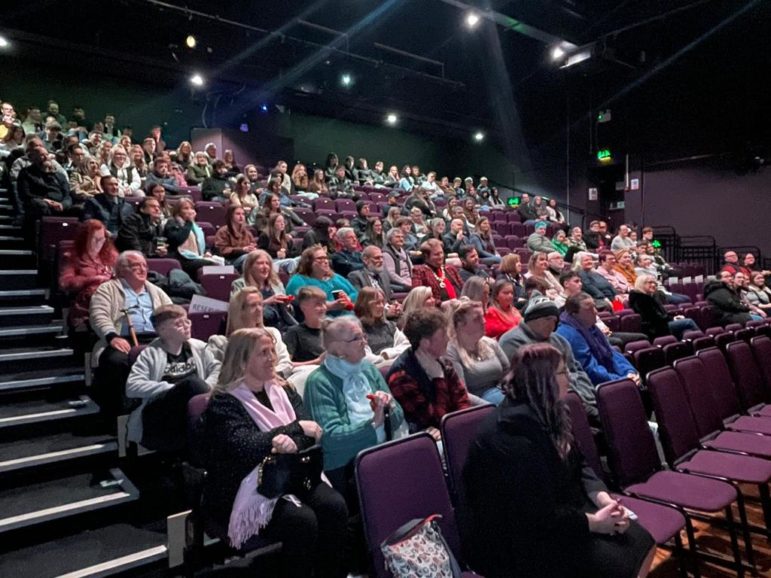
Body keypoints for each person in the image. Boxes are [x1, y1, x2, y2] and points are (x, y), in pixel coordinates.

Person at [462, 343, 655, 578]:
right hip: (514, 539)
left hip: (555, 513)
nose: (570, 379)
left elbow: (579, 463)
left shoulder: (550, 411)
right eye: (563, 372)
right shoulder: (510, 435)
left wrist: (604, 500)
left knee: (642, 540)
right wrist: (594, 523)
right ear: (543, 380)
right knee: (619, 564)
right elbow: (533, 514)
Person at [198, 328, 348, 577]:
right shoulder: (224, 402)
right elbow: (244, 447)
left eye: (272, 351)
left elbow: (310, 429)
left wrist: (291, 441)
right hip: (246, 482)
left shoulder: (282, 388)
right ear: (242, 359)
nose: (272, 358)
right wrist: (290, 431)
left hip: (291, 471)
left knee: (334, 506)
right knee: (301, 521)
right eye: (263, 353)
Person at [304, 317, 406, 493]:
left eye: (363, 336)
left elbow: (398, 416)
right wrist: (374, 424)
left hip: (384, 449)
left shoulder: (369, 369)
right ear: (337, 348)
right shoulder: (319, 382)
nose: (364, 343)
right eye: (357, 338)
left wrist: (388, 408)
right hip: (347, 464)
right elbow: (331, 438)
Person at [89, 251, 173, 415]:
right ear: (121, 270)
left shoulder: (156, 291)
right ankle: (123, 413)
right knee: (117, 361)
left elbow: (172, 313)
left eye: (144, 266)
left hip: (156, 338)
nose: (143, 269)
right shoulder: (107, 289)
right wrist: (112, 336)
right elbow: (98, 315)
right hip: (121, 339)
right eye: (136, 266)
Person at [126, 306, 219, 452]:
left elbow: (218, 369)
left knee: (199, 387)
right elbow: (132, 387)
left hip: (190, 408)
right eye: (179, 324)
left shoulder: (198, 346)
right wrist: (172, 388)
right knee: (192, 384)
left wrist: (205, 385)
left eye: (187, 321)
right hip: (160, 412)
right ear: (162, 331)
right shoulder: (150, 353)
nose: (187, 326)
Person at [387, 308, 471, 437]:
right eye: (443, 335)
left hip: (452, 429)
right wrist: (439, 379)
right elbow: (435, 419)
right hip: (421, 439)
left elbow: (462, 399)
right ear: (426, 343)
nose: (448, 339)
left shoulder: (444, 362)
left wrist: (463, 423)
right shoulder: (401, 378)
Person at [556, 293, 640, 387]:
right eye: (589, 309)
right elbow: (589, 369)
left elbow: (611, 353)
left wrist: (629, 371)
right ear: (574, 314)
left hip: (610, 377)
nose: (595, 312)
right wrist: (621, 379)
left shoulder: (590, 325)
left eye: (594, 307)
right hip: (592, 386)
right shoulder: (569, 334)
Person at [446, 300, 510, 405]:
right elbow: (462, 393)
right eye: (477, 319)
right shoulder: (451, 351)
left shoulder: (490, 343)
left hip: (502, 395)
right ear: (460, 324)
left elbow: (508, 372)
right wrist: (491, 408)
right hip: (478, 405)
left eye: (483, 316)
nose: (484, 321)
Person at [60, 220, 118, 331]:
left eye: (102, 239)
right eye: (95, 240)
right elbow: (65, 282)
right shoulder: (71, 256)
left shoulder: (111, 254)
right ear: (84, 239)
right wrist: (92, 280)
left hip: (112, 300)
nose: (99, 243)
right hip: (87, 304)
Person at [231, 250, 296, 331]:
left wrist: (287, 305)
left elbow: (289, 314)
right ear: (250, 267)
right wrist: (266, 302)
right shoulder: (239, 284)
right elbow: (238, 310)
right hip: (256, 327)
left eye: (267, 263)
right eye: (260, 263)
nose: (265, 267)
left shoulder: (276, 284)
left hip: (283, 325)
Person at [285, 245, 358, 316]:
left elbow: (355, 293)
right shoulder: (298, 280)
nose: (326, 261)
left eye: (326, 258)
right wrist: (332, 305)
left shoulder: (336, 277)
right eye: (320, 258)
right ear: (309, 262)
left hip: (349, 315)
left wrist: (347, 299)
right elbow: (305, 302)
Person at [629, 275, 700, 340]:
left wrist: (673, 318)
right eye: (650, 283)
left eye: (654, 283)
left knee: (686, 331)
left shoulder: (651, 296)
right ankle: (702, 340)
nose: (653, 285)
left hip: (661, 324)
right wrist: (672, 319)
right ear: (641, 284)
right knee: (689, 322)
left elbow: (660, 315)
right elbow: (653, 318)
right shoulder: (641, 299)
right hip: (654, 328)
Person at [353, 288, 410, 366]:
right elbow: (366, 358)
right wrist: (385, 359)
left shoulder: (390, 326)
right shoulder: (357, 330)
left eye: (382, 302)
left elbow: (407, 345)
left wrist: (387, 354)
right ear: (364, 305)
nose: (382, 306)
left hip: (395, 363)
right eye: (377, 303)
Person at [164, 197, 217, 278]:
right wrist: (189, 222)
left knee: (226, 265)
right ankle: (206, 285)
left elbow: (203, 244)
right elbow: (178, 240)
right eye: (186, 208)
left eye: (191, 208)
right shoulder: (172, 222)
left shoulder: (195, 226)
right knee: (212, 265)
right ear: (178, 211)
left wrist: (207, 252)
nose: (190, 211)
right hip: (182, 258)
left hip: (197, 257)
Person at [284, 287, 327, 366]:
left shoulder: (331, 329)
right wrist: (316, 362)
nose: (323, 308)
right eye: (318, 304)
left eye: (324, 303)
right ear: (303, 307)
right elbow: (286, 365)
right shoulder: (294, 332)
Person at [213, 205, 256, 271]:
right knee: (248, 258)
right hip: (230, 261)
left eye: (243, 214)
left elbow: (253, 244)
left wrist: (252, 248)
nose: (241, 217)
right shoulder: (223, 231)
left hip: (246, 258)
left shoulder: (247, 232)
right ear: (231, 216)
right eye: (238, 214)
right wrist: (242, 250)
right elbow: (222, 250)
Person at [382, 227, 414, 292]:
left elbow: (412, 268)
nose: (401, 239)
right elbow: (391, 275)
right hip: (398, 283)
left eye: (402, 237)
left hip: (409, 280)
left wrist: (415, 279)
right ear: (390, 240)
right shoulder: (386, 254)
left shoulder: (403, 251)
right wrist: (405, 282)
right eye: (397, 237)